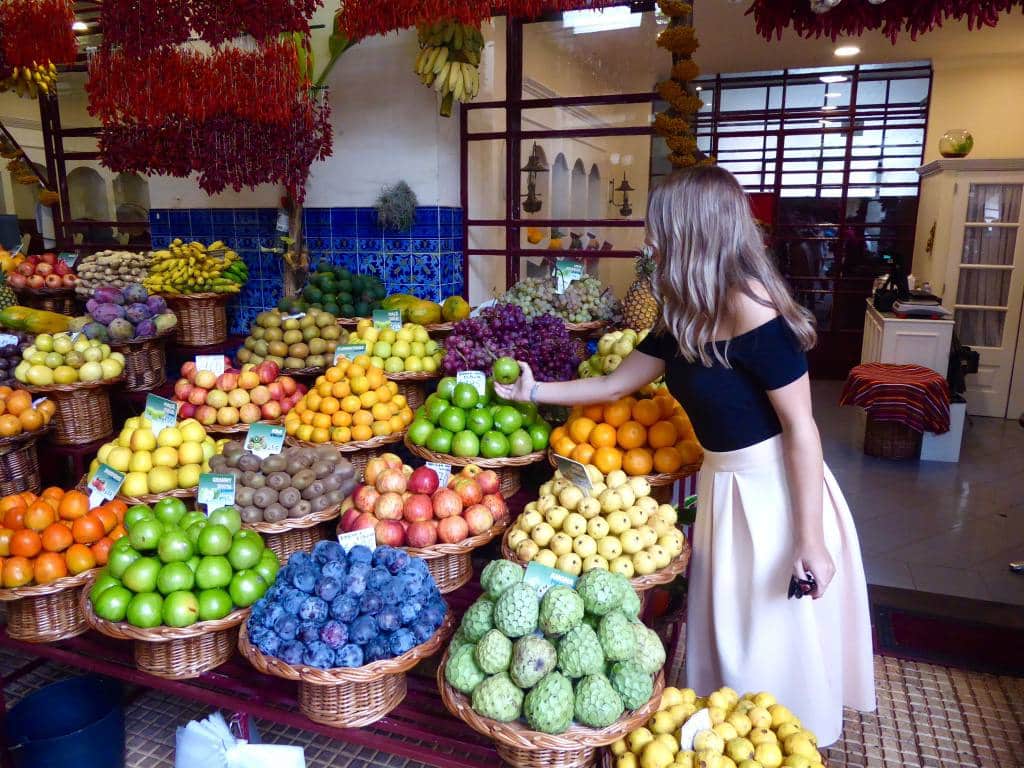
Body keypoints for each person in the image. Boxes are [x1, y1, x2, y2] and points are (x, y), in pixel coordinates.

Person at [495, 166, 875, 746]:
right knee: (729, 630)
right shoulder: (684, 313)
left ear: (695, 233)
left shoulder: (756, 310)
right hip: (723, 484)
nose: (650, 243)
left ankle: (783, 740)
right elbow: (612, 385)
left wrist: (812, 538)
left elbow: (803, 430)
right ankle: (727, 738)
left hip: (775, 492)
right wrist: (535, 391)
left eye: (660, 230)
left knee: (770, 630)